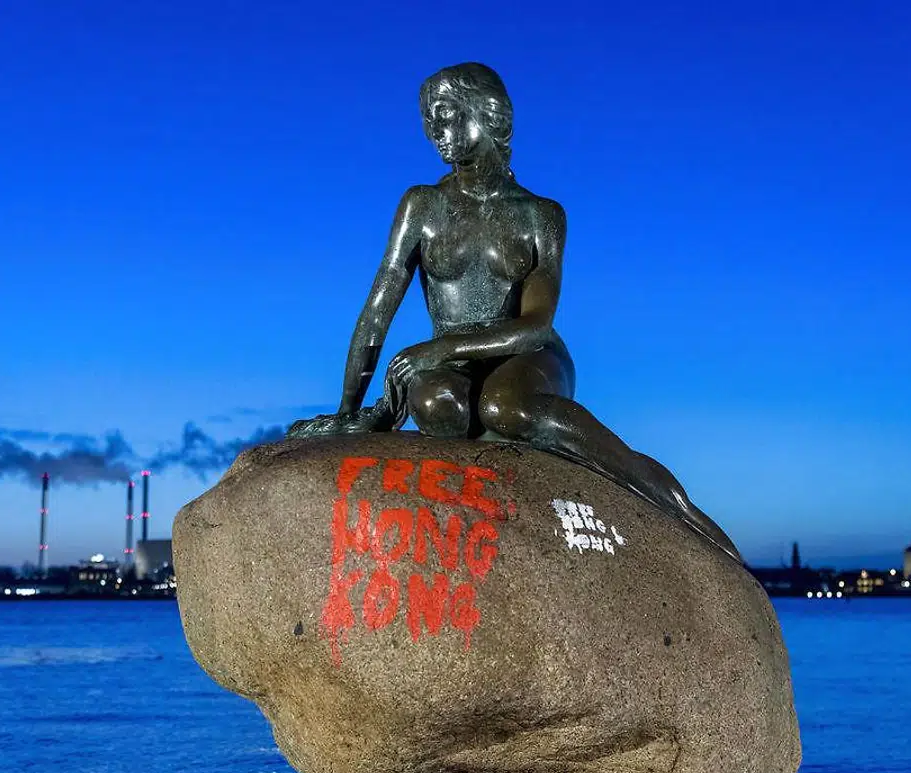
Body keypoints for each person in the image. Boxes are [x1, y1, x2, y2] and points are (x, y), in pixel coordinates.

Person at [290, 63, 738, 564]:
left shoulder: (540, 215)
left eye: (446, 115)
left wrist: (440, 347)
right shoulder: (422, 205)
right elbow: (378, 307)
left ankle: (664, 497)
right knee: (436, 404)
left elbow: (536, 325)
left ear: (488, 114)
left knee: (506, 407)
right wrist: (349, 411)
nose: (435, 131)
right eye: (428, 121)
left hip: (529, 354)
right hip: (454, 361)